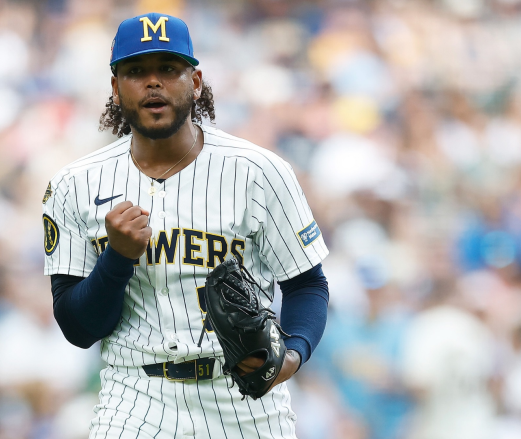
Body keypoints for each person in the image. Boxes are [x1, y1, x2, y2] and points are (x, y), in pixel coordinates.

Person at [42, 12, 330, 438]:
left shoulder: (260, 171)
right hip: (135, 397)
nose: (153, 82)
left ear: (195, 81)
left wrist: (293, 354)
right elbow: (78, 328)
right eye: (137, 71)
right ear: (116, 87)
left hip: (246, 405)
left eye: (168, 69)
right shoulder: (74, 184)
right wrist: (117, 259)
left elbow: (307, 285)